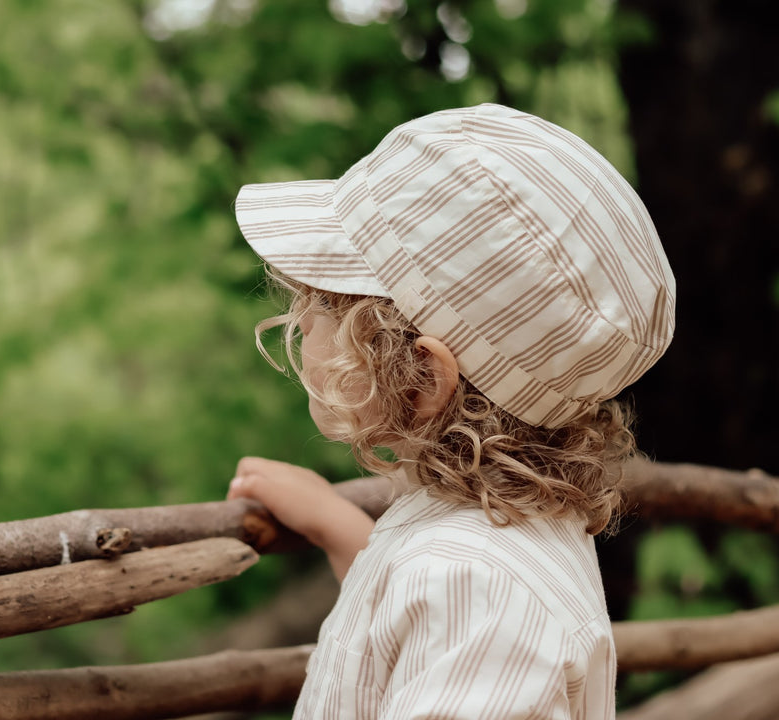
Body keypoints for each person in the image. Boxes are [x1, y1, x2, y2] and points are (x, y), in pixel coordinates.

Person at [226, 104, 675, 719]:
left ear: (426, 378)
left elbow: (465, 599)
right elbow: (416, 621)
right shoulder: (488, 537)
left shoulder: (486, 597)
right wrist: (337, 526)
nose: (301, 318)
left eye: (326, 303)